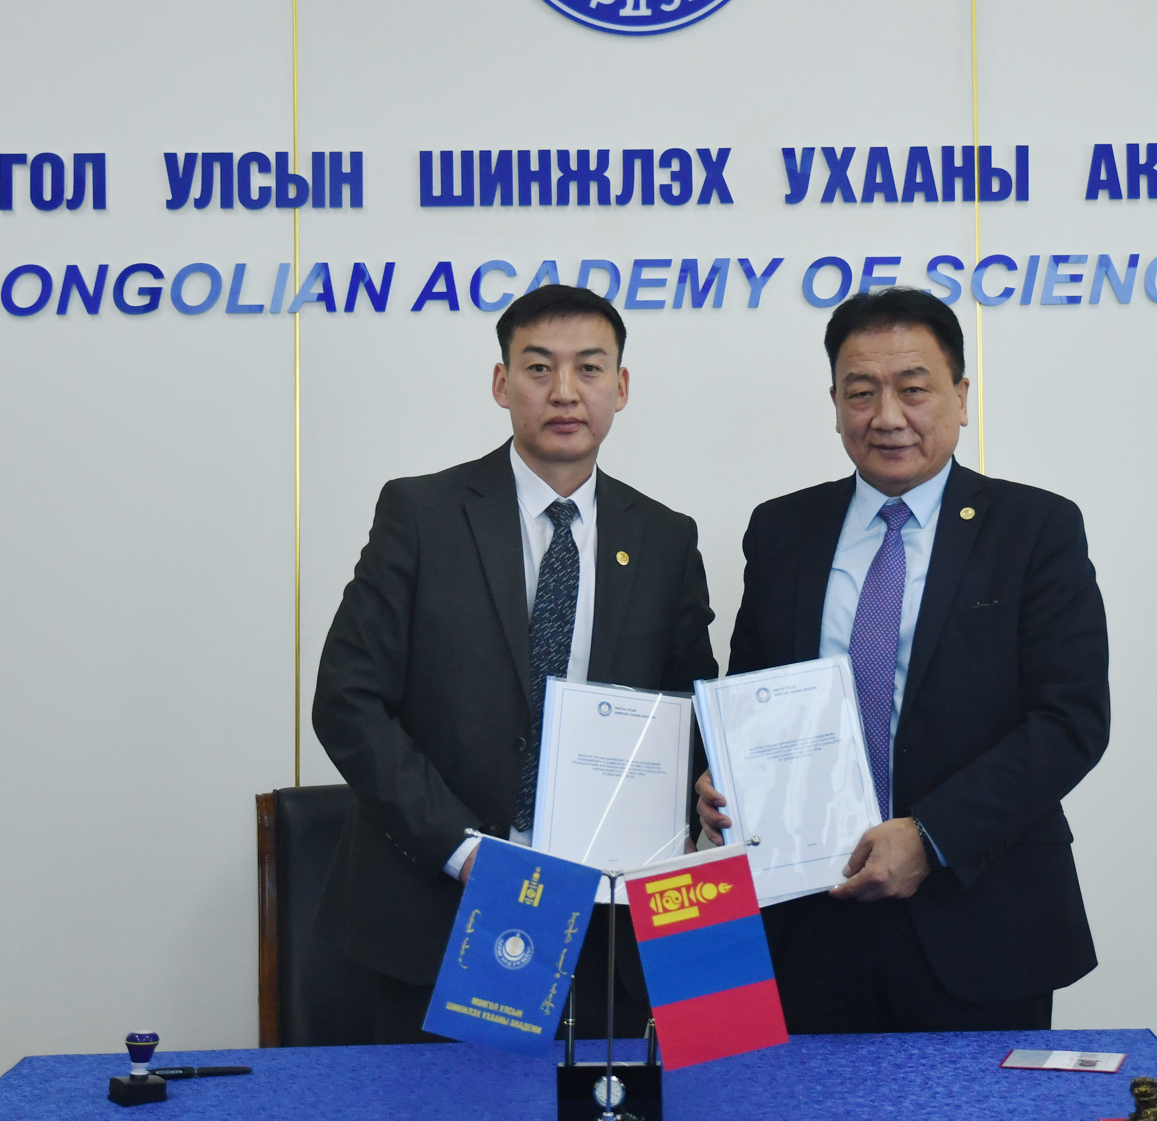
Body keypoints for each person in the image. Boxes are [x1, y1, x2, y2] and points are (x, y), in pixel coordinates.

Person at [697, 286, 1109, 1033]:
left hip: (979, 915)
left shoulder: (1035, 529)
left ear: (960, 397)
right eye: (861, 392)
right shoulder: (784, 530)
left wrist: (931, 835)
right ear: (835, 403)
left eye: (913, 389)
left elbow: (1069, 721)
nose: (887, 416)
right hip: (805, 924)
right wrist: (723, 779)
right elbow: (753, 697)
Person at [313, 284, 718, 1043]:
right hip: (440, 907)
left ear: (621, 387)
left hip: (608, 919)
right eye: (539, 368)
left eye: (589, 368)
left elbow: (689, 710)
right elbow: (347, 700)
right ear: (502, 383)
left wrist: (712, 787)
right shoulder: (422, 514)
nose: (564, 392)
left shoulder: (665, 538)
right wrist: (464, 850)